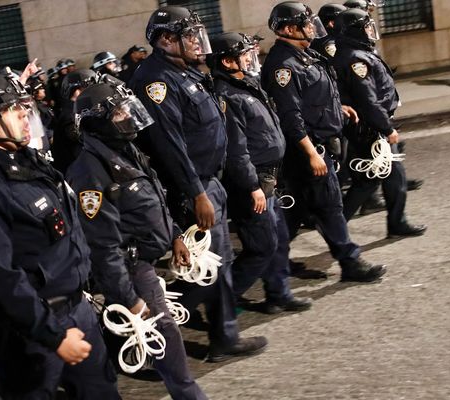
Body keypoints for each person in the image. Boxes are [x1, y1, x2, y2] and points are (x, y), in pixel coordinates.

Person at [0, 73, 120, 398]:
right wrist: (54, 336)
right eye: (13, 110)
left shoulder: (24, 158)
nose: (25, 117)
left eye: (23, 108)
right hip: (31, 330)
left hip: (73, 308)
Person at [131, 5, 268, 362]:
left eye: (196, 34)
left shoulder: (184, 72)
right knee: (199, 271)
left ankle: (223, 335)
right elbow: (169, 145)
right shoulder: (155, 80)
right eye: (187, 35)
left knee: (215, 264)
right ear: (165, 40)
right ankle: (150, 337)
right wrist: (196, 193)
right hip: (192, 188)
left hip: (209, 182)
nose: (196, 41)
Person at [65, 82, 207, 399]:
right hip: (129, 267)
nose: (127, 116)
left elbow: (154, 200)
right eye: (118, 113)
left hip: (144, 258)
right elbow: (103, 247)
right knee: (166, 333)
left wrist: (173, 236)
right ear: (97, 122)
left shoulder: (126, 151)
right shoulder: (89, 173)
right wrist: (129, 297)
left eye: (127, 109)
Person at [263, 1, 387, 282]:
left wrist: (337, 109)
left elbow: (314, 97)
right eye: (305, 24)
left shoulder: (304, 56)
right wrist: (311, 153)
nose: (311, 28)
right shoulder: (284, 66)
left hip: (321, 145)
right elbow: (290, 116)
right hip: (309, 150)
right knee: (329, 207)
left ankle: (274, 267)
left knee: (296, 214)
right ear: (289, 29)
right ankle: (350, 262)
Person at [210, 32, 313, 314]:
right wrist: (252, 185)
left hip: (269, 178)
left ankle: (278, 293)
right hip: (253, 183)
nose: (251, 59)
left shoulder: (246, 85)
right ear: (228, 61)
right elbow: (236, 150)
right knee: (261, 247)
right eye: (244, 55)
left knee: (277, 239)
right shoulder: (226, 95)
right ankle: (223, 304)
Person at [333, 9, 428, 240]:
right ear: (356, 29)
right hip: (371, 129)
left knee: (387, 177)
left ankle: (396, 222)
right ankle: (336, 229)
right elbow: (367, 100)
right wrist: (386, 128)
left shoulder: (357, 52)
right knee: (369, 181)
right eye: (366, 26)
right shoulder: (356, 58)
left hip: (370, 126)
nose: (370, 30)